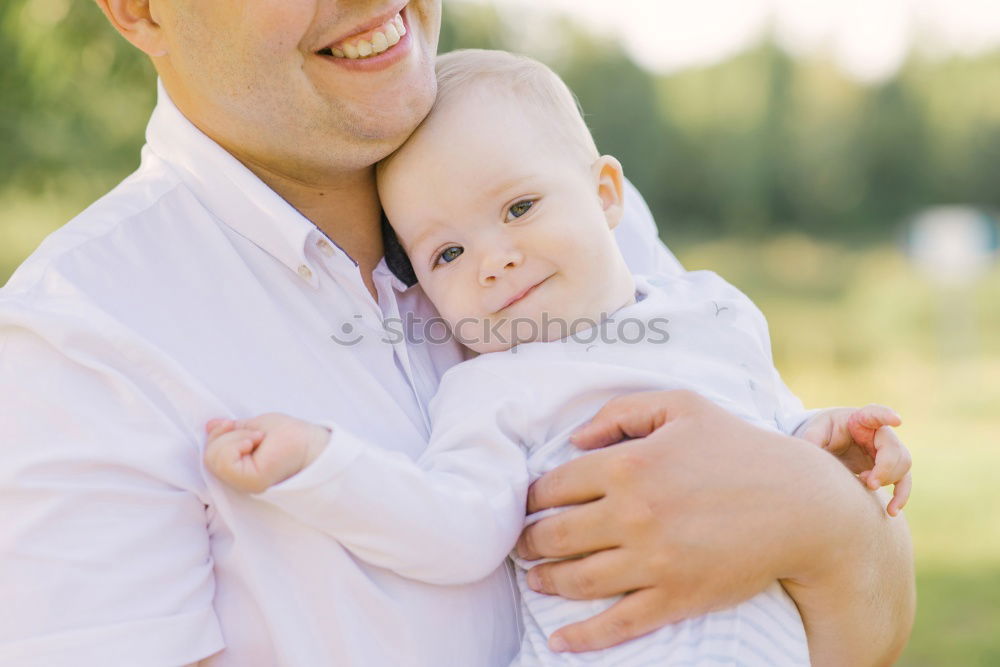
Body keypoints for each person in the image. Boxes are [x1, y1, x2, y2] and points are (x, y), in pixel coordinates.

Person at [0, 2, 914, 666]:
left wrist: (824, 510)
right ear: (134, 8)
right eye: (445, 254)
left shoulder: (551, 183)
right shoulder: (77, 341)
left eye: (519, 212)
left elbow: (868, 620)